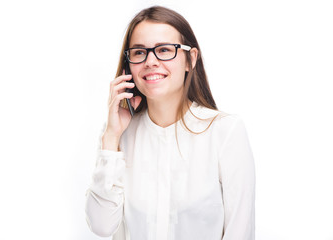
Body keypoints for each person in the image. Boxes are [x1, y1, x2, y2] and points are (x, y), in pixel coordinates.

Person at [85, 5, 255, 240]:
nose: (150, 61)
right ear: (128, 66)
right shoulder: (117, 136)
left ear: (190, 60)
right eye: (138, 52)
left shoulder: (225, 132)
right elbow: (102, 226)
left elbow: (240, 231)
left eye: (164, 50)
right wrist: (112, 136)